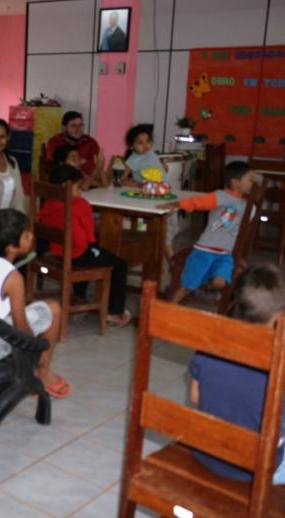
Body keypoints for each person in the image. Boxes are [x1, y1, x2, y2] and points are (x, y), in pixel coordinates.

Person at [188, 264, 285, 483]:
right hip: (255, 469)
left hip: (206, 453)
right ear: (280, 318)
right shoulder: (280, 362)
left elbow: (196, 396)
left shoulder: (211, 346)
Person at [0, 209, 70, 398]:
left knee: (27, 312)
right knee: (53, 308)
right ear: (11, 247)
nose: (32, 236)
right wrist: (38, 345)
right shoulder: (13, 278)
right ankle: (40, 373)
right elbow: (20, 329)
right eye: (27, 235)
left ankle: (36, 371)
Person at [39, 164, 132, 326]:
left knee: (88, 254)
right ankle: (114, 313)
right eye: (78, 187)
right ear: (65, 187)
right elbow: (83, 240)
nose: (81, 192)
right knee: (119, 264)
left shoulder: (47, 203)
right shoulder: (80, 205)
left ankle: (80, 299)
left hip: (56, 252)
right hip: (76, 254)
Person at [160, 161, 257, 304]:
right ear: (235, 182)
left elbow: (243, 232)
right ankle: (167, 309)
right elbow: (197, 202)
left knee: (220, 283)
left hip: (225, 254)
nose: (253, 184)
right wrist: (177, 204)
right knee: (187, 286)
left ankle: (201, 286)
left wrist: (240, 254)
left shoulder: (249, 206)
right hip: (204, 250)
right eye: (250, 180)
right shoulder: (220, 196)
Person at [123, 124, 178, 260]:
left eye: (148, 141)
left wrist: (163, 169)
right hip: (151, 199)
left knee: (172, 227)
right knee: (165, 231)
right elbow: (122, 179)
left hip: (165, 195)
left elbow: (156, 171)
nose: (145, 145)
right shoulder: (133, 160)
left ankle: (161, 256)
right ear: (131, 146)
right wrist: (138, 184)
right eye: (140, 143)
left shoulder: (152, 153)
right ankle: (170, 259)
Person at [46, 111, 103, 179]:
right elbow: (56, 165)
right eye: (73, 126)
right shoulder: (55, 141)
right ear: (64, 128)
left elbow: (96, 165)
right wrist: (82, 162)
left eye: (81, 125)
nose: (78, 129)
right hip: (64, 182)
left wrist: (76, 162)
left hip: (90, 180)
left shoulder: (90, 142)